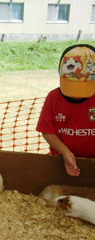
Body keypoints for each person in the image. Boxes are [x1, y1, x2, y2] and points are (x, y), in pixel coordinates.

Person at [36, 44, 95, 177]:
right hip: (61, 160)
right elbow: (47, 131)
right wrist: (65, 152)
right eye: (72, 87)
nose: (77, 95)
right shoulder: (53, 97)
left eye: (83, 89)